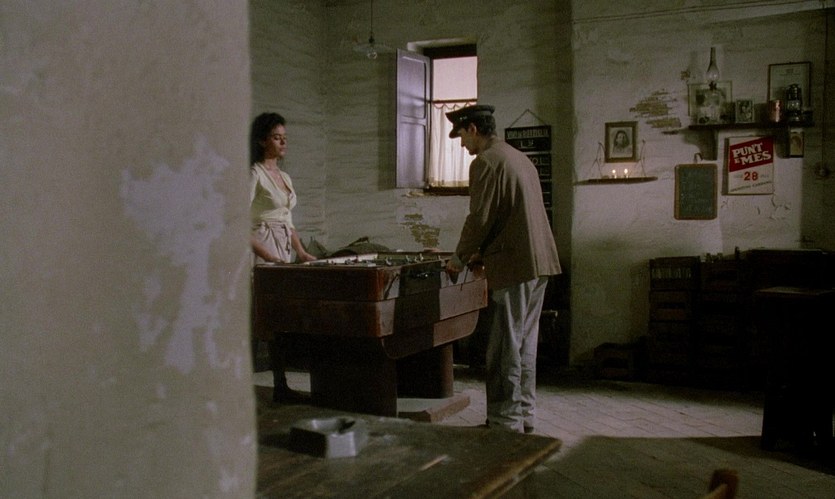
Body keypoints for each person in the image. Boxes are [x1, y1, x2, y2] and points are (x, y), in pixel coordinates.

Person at [444, 104, 562, 433]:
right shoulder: (519, 158)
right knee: (524, 344)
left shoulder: (486, 161)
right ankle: (525, 415)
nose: (462, 144)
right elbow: (509, 215)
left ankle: (504, 422)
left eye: (461, 135)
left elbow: (480, 218)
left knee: (504, 347)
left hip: (514, 266)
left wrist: (459, 257)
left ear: (473, 129)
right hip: (539, 262)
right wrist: (481, 253)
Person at [249, 111, 316, 403]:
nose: (283, 143)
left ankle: (281, 385)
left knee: (280, 317)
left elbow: (287, 221)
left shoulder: (284, 177)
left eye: (284, 138)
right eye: (277, 138)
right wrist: (268, 257)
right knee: (262, 317)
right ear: (262, 141)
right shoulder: (254, 173)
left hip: (283, 247)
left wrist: (300, 251)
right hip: (262, 245)